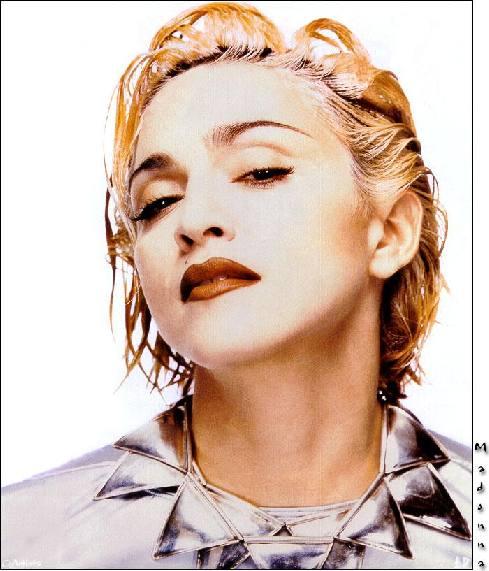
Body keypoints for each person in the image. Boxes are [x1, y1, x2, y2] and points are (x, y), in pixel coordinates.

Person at [2, 2, 471, 569]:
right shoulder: (23, 540)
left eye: (261, 171)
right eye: (157, 202)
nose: (194, 219)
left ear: (390, 232)